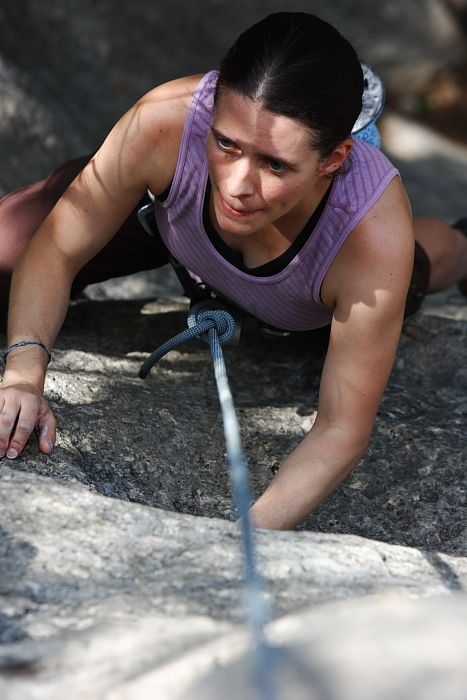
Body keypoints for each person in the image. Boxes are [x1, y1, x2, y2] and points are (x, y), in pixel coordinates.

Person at [0, 12, 466, 530]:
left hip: (301, 296)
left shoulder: (369, 234)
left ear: (333, 158)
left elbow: (341, 430)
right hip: (171, 230)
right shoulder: (167, 120)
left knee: (416, 264)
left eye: (275, 164)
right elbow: (55, 248)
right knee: (7, 245)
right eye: (226, 143)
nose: (238, 184)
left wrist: (241, 539)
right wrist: (23, 373)